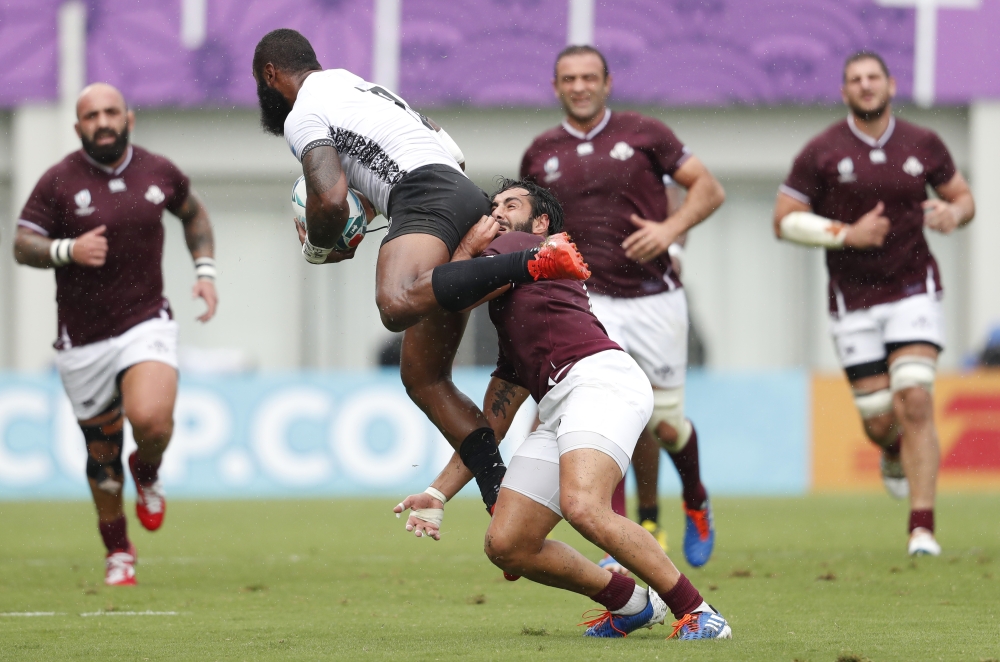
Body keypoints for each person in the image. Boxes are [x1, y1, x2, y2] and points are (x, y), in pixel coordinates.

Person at [253, 29, 588, 514]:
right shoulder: (359, 88)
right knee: (424, 377)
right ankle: (500, 497)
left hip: (425, 194)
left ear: (270, 74)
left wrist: (323, 245)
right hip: (457, 190)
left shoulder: (303, 112)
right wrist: (372, 210)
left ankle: (532, 260)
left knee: (396, 302)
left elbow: (326, 197)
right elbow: (451, 152)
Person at [395, 180, 731, 640]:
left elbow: (448, 293)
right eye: (491, 206)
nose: (495, 214)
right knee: (508, 544)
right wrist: (438, 493)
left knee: (583, 505)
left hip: (601, 382)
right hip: (563, 405)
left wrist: (466, 247)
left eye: (509, 205)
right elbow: (490, 423)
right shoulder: (516, 303)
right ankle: (629, 602)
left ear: (540, 225)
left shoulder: (520, 249)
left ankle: (700, 612)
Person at [520, 45, 726, 569]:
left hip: (655, 299)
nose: (580, 86)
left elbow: (708, 188)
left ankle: (696, 500)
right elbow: (529, 226)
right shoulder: (540, 152)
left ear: (607, 83)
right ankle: (619, 546)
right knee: (600, 421)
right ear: (556, 86)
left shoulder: (645, 133)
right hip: (586, 305)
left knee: (666, 424)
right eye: (569, 78)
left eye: (589, 77)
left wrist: (670, 229)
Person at [13, 83, 219, 585]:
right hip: (82, 340)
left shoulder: (159, 171)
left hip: (146, 320)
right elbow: (23, 244)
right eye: (91, 115)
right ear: (77, 125)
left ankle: (146, 469)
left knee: (151, 421)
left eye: (110, 112)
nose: (102, 122)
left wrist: (206, 272)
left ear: (129, 117)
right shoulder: (58, 180)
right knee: (101, 458)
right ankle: (118, 549)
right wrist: (67, 250)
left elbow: (193, 214)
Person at [773, 51, 975, 556]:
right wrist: (846, 233)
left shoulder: (923, 143)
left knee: (916, 398)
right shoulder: (821, 151)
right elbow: (783, 220)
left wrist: (955, 214)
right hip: (853, 300)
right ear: (844, 92)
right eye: (855, 80)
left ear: (890, 85)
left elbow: (964, 198)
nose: (865, 86)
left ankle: (922, 528)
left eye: (873, 78)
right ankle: (891, 450)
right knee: (880, 419)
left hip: (914, 289)